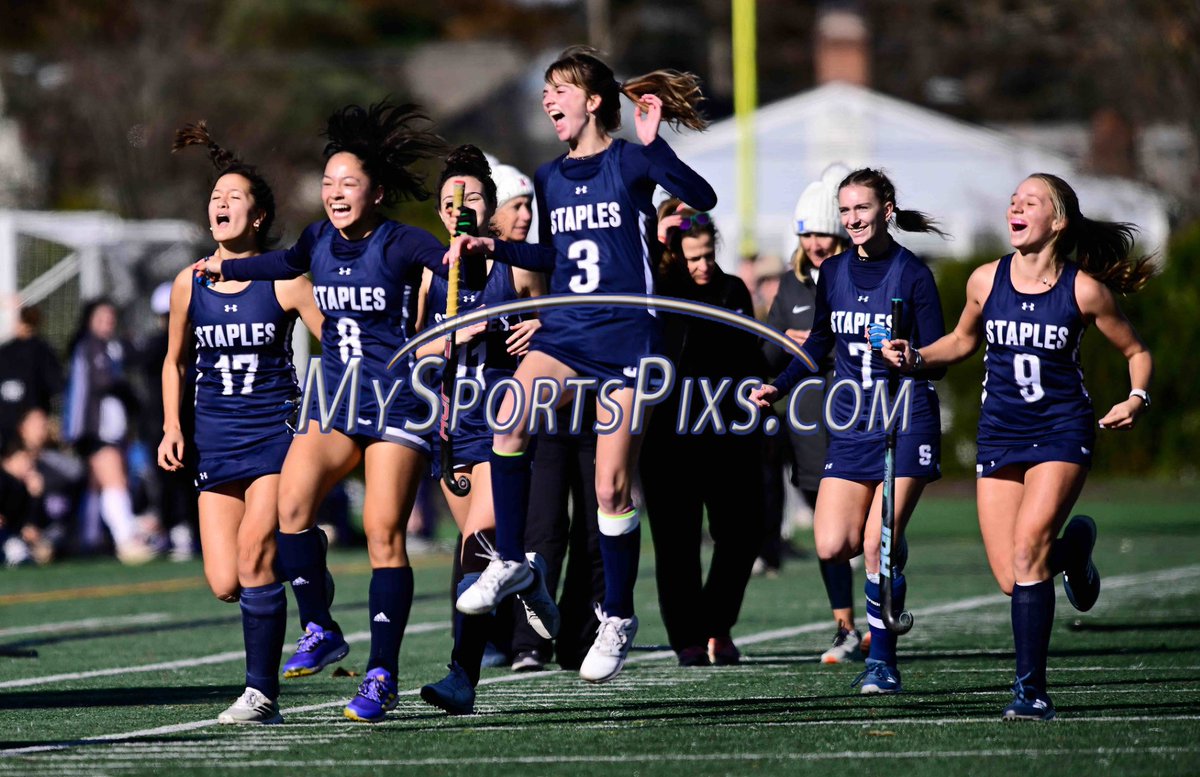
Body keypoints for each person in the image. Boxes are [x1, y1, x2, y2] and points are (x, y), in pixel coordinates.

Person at [446, 45, 716, 683]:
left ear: (594, 100)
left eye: (558, 89)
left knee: (609, 488)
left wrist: (655, 147)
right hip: (568, 331)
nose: (547, 100)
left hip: (629, 337)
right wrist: (498, 244)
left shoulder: (630, 160)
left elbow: (700, 195)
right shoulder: (547, 176)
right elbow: (564, 257)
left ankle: (617, 616)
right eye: (544, 91)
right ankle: (512, 558)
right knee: (509, 417)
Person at [197, 100, 452, 722]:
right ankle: (321, 627)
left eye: (349, 183)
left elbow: (452, 276)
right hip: (335, 399)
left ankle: (383, 674)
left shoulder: (401, 242)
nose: (335, 192)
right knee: (292, 507)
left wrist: (451, 324)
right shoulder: (314, 240)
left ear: (377, 192)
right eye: (329, 182)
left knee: (384, 533)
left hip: (394, 401)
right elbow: (279, 265)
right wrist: (226, 265)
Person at [880, 173, 1153, 719]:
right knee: (1011, 576)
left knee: (1029, 550)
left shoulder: (1083, 289)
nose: (1016, 208)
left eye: (1030, 202)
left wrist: (1136, 397)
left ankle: (1030, 693)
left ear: (1058, 222)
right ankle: (1074, 548)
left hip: (1061, 429)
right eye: (1013, 201)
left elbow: (1135, 350)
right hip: (1000, 432)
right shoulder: (985, 280)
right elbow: (960, 341)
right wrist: (915, 357)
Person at [751, 168, 947, 694]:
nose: (853, 219)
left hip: (904, 421)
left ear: (886, 210)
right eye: (846, 211)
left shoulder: (913, 275)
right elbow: (818, 344)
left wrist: (911, 357)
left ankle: (882, 663)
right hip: (854, 424)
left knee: (875, 543)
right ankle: (893, 566)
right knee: (833, 543)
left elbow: (939, 359)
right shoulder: (833, 272)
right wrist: (780, 385)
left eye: (862, 209)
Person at [161, 122, 324, 724]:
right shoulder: (189, 282)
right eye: (214, 198)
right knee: (226, 581)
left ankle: (261, 695)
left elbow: (341, 341)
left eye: (233, 197)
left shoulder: (285, 279)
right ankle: (308, 552)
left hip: (277, 437)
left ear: (258, 217)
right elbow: (174, 362)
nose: (220, 205)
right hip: (215, 442)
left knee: (257, 555)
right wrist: (171, 427)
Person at [414, 145, 550, 715]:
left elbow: (560, 323)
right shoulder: (432, 273)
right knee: (483, 548)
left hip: (504, 423)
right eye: (450, 201)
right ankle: (532, 579)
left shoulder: (513, 264)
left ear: (490, 208)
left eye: (471, 197)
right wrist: (441, 344)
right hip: (453, 427)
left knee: (476, 548)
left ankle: (460, 676)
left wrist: (539, 326)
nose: (459, 208)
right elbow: (412, 349)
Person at [641, 205, 764, 666]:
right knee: (677, 544)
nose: (703, 265)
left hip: (729, 432)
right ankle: (687, 638)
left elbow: (752, 358)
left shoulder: (732, 290)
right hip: (668, 439)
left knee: (744, 533)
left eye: (708, 254)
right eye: (692, 257)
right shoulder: (659, 290)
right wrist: (660, 240)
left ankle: (717, 623)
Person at [762, 163, 867, 664]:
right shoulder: (790, 286)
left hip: (858, 419)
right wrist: (784, 342)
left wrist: (821, 345)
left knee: (868, 532)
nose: (816, 244)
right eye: (807, 234)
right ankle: (845, 627)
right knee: (830, 542)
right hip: (806, 427)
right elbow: (768, 356)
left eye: (824, 233)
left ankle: (881, 617)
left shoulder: (857, 277)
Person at [63, 299, 158, 563]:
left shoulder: (107, 347)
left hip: (107, 431)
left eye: (110, 317)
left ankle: (86, 540)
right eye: (101, 317)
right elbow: (103, 382)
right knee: (114, 481)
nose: (108, 322)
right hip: (95, 431)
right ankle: (126, 539)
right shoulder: (92, 346)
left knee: (99, 486)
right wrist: (132, 396)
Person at [0, 306, 64, 446]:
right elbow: (57, 386)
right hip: (27, 429)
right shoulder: (44, 351)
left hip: (14, 428)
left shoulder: (7, 351)